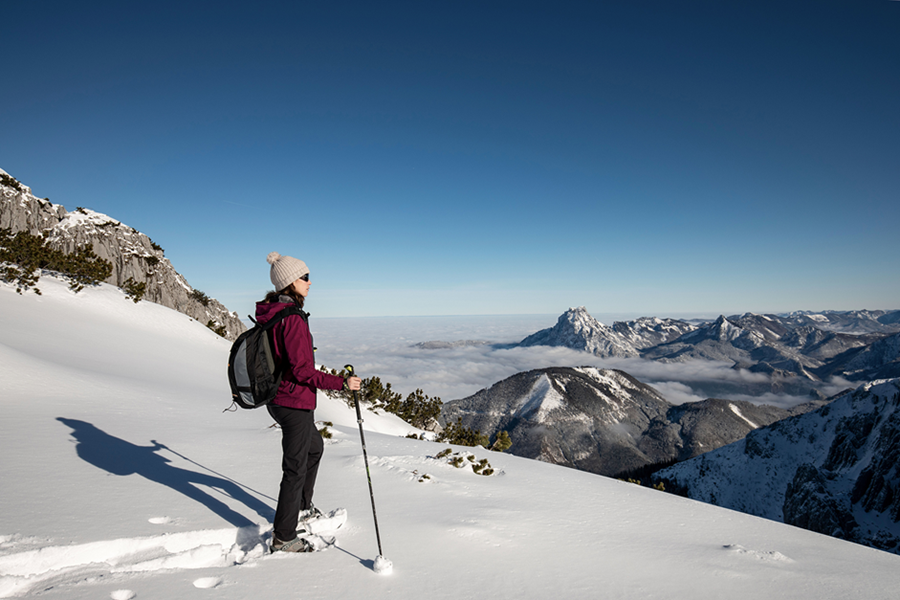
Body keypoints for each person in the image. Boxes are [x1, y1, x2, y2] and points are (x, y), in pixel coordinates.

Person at [257, 251, 361, 553]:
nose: (310, 282)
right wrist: (341, 383)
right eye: (305, 277)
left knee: (314, 447)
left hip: (279, 398)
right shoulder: (292, 320)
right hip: (293, 402)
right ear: (291, 281)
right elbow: (302, 371)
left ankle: (302, 505)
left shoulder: (274, 312)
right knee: (295, 468)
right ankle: (284, 536)